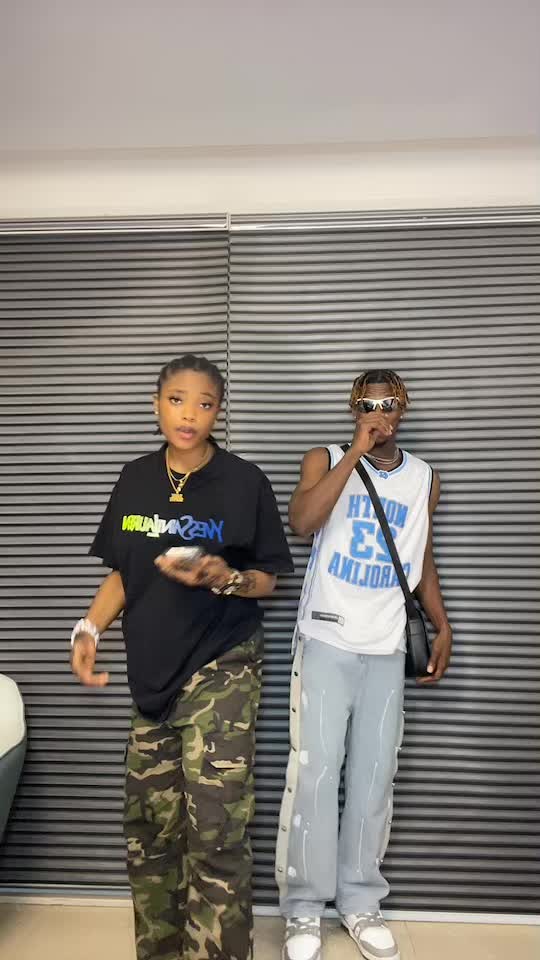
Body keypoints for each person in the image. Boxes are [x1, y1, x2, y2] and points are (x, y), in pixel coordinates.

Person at [70, 353, 293, 960]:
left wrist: (225, 577)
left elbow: (269, 579)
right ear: (156, 405)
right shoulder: (134, 478)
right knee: (150, 830)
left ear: (219, 412)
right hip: (152, 674)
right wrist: (88, 629)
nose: (189, 414)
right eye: (176, 400)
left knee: (216, 830)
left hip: (222, 665)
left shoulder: (244, 482)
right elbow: (124, 573)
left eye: (204, 403)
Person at [276, 369, 452, 960]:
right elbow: (303, 522)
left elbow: (420, 558)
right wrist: (354, 450)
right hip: (326, 639)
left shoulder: (424, 477)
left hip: (386, 645)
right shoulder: (324, 457)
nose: (381, 412)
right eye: (369, 404)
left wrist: (442, 624)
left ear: (404, 408)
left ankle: (360, 900)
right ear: (355, 408)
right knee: (316, 775)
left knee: (376, 778)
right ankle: (304, 908)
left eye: (390, 403)